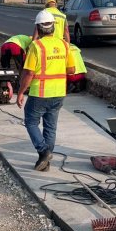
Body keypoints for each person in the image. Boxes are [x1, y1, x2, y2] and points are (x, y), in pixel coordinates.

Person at [17, 10, 75, 172]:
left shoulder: (36, 46)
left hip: (40, 93)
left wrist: (21, 92)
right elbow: (71, 70)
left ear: (38, 28)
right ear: (53, 27)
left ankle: (43, 152)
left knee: (31, 122)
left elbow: (29, 73)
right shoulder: (64, 45)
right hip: (58, 93)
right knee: (50, 127)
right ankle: (45, 163)